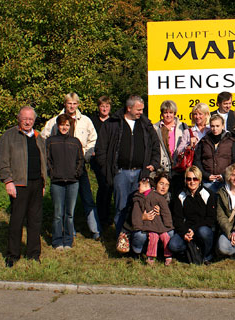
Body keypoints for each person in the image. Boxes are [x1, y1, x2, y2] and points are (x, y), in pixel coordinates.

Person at [95, 95, 161, 235]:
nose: (141, 112)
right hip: (120, 173)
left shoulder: (145, 125)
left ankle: (136, 238)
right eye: (138, 109)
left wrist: (154, 164)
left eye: (142, 109)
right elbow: (101, 148)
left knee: (138, 206)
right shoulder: (112, 124)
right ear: (129, 108)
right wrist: (106, 169)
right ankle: (122, 238)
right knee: (121, 207)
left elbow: (155, 145)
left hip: (140, 173)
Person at [41, 92, 101, 240]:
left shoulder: (85, 121)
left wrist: (85, 154)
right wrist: (50, 163)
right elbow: (43, 139)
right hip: (60, 168)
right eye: (69, 103)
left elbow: (93, 139)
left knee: (87, 198)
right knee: (64, 203)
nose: (72, 106)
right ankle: (69, 231)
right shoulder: (54, 121)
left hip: (79, 165)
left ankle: (95, 230)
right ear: (65, 104)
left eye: (74, 104)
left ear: (78, 105)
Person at [0, 106, 47, 267]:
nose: (27, 122)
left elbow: (43, 162)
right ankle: (13, 255)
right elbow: (2, 161)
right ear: (19, 118)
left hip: (36, 184)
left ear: (34, 120)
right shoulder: (9, 136)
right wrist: (8, 181)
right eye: (24, 118)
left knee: (35, 221)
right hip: (18, 184)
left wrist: (43, 183)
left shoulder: (38, 137)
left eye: (30, 119)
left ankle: (33, 254)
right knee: (17, 221)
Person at [47, 114, 84, 251]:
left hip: (73, 182)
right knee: (58, 214)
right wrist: (52, 173)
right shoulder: (51, 141)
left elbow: (80, 160)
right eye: (62, 125)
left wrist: (77, 173)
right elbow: (47, 159)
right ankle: (57, 241)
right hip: (57, 182)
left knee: (69, 214)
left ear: (70, 126)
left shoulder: (75, 142)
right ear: (58, 125)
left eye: (67, 125)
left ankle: (68, 240)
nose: (64, 127)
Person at [169, 166, 216, 263]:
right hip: (186, 229)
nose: (192, 182)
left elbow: (211, 218)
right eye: (189, 179)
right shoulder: (180, 195)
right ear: (185, 180)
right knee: (173, 245)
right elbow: (177, 219)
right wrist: (184, 233)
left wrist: (194, 229)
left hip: (201, 228)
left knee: (204, 232)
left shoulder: (208, 194)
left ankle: (207, 256)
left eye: (195, 179)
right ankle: (191, 251)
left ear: (200, 180)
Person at [131, 178, 174, 265]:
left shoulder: (157, 197)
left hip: (159, 224)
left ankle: (168, 255)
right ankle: (150, 256)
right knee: (153, 237)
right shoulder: (138, 198)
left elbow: (165, 211)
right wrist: (138, 225)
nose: (138, 187)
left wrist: (168, 224)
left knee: (165, 237)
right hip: (148, 224)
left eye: (140, 185)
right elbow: (136, 213)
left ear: (146, 186)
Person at [194, 114, 235, 193]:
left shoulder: (231, 141)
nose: (215, 129)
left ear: (223, 126)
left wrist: (224, 175)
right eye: (212, 126)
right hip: (207, 181)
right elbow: (197, 161)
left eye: (217, 126)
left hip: (226, 181)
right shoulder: (204, 141)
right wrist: (206, 175)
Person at [90, 96, 113, 229]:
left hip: (111, 159)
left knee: (110, 187)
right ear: (98, 107)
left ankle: (108, 214)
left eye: (107, 106)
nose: (104, 109)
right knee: (103, 185)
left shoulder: (114, 121)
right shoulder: (92, 121)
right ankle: (100, 216)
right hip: (97, 158)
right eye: (102, 106)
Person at [152, 100, 189, 182]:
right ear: (162, 114)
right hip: (162, 169)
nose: (168, 115)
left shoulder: (183, 127)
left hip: (179, 167)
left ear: (174, 113)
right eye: (165, 112)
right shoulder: (155, 128)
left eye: (171, 112)